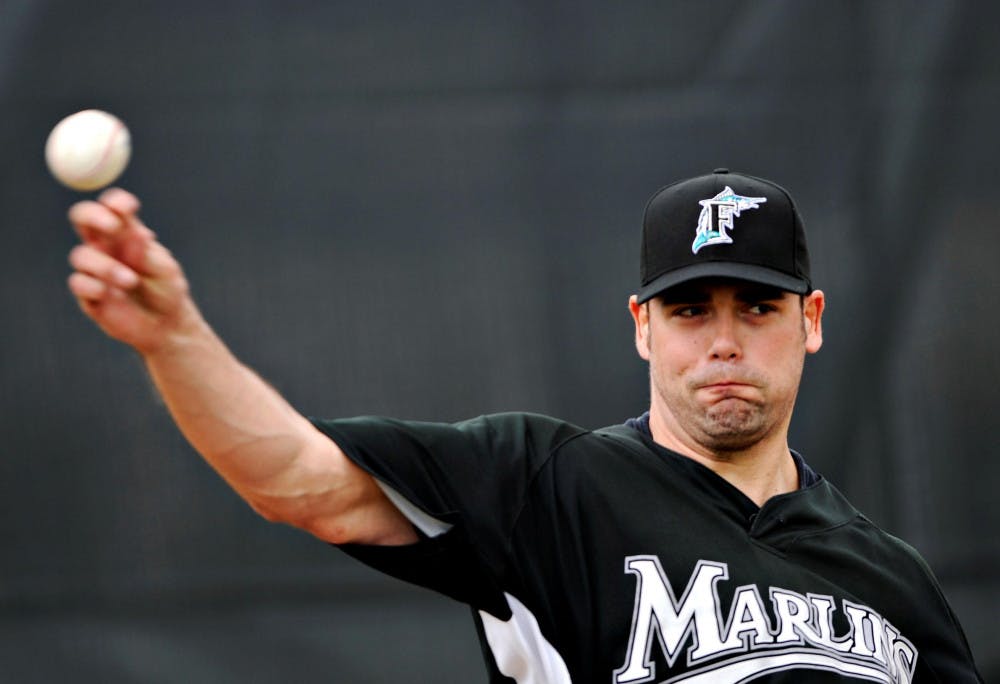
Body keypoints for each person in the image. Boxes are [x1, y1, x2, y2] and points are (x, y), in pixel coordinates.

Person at [66, 169, 982, 683]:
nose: (725, 341)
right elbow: (298, 481)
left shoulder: (891, 579)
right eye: (692, 310)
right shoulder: (549, 487)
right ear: (643, 327)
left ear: (811, 321)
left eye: (758, 308)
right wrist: (174, 338)